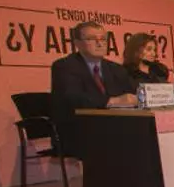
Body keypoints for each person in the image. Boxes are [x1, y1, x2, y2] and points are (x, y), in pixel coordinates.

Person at [49, 22, 138, 154]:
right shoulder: (64, 66)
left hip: (114, 129)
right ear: (77, 43)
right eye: (91, 39)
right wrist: (111, 101)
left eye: (103, 39)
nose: (99, 43)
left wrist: (135, 99)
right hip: (77, 130)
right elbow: (72, 97)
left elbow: (131, 95)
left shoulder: (117, 69)